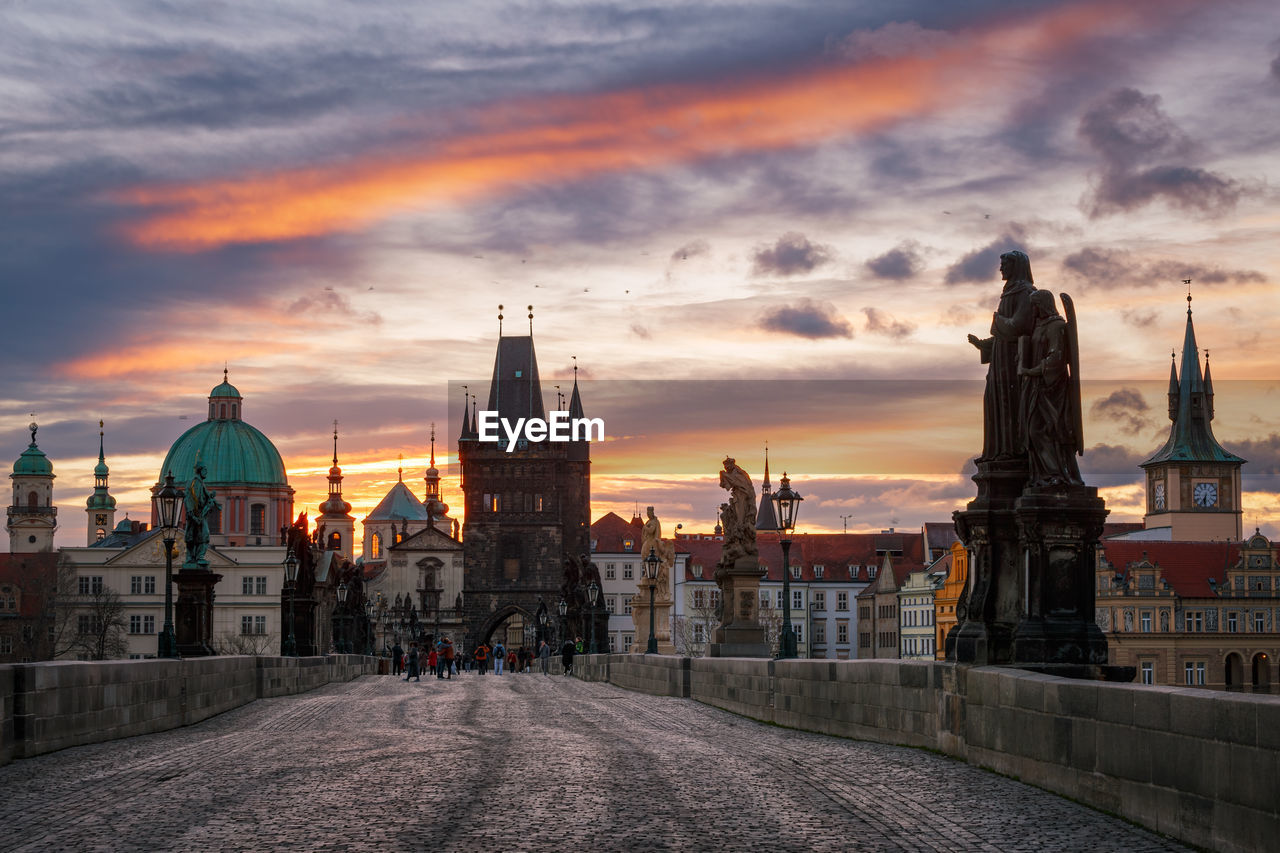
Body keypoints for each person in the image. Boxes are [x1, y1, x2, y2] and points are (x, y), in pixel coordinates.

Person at [968, 250, 1037, 464]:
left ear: (1015, 266)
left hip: (1012, 362)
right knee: (993, 401)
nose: (1000, 269)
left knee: (1009, 403)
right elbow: (1000, 336)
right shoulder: (1008, 292)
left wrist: (996, 320)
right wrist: (983, 344)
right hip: (999, 360)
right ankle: (996, 451)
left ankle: (1011, 450)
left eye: (1004, 264)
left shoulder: (1026, 292)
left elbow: (1020, 326)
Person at [1018, 290, 1084, 487]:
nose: (1033, 310)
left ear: (1043, 305)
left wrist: (1032, 371)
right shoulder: (1038, 326)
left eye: (1035, 305)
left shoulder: (1056, 326)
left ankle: (1057, 474)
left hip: (1052, 388)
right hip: (1036, 386)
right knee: (1034, 430)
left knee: (1050, 429)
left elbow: (1056, 358)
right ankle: (1044, 475)